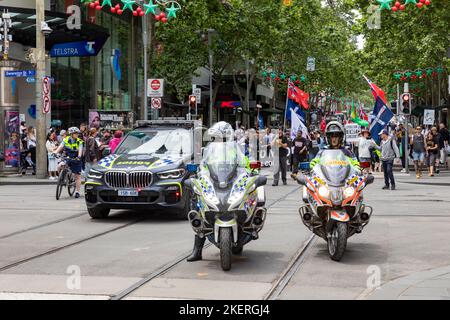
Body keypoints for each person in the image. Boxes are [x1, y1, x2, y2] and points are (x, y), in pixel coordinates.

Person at [186, 121, 248, 262]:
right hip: (214, 182)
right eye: (217, 137)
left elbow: (243, 164)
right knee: (199, 209)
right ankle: (197, 251)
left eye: (222, 137)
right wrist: (201, 175)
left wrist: (246, 173)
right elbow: (203, 165)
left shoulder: (235, 148)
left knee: (244, 201)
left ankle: (245, 231)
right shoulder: (209, 149)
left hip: (231, 181)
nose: (220, 139)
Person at [54, 127, 84, 198]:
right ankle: (61, 179)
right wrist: (55, 152)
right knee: (59, 166)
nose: (77, 134)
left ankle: (77, 191)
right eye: (75, 133)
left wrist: (79, 156)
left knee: (77, 176)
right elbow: (60, 147)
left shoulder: (80, 141)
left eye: (77, 133)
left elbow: (80, 150)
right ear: (71, 134)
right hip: (67, 158)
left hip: (76, 159)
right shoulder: (66, 140)